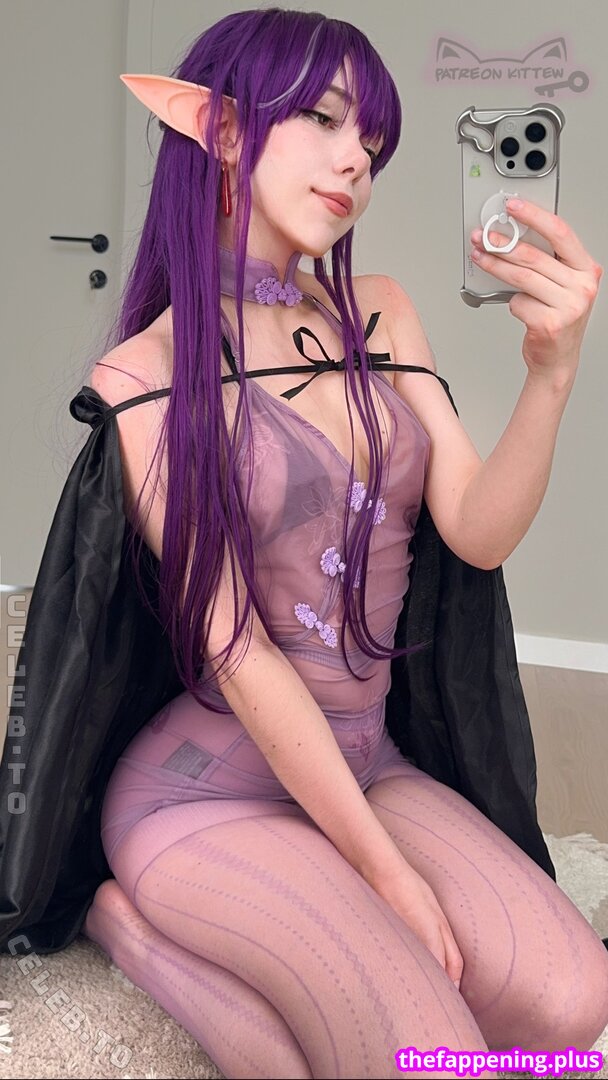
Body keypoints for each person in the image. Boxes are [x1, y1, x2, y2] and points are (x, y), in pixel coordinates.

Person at [2, 9, 607, 1078]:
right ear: (221, 129)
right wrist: (387, 874)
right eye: (324, 119)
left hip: (370, 764)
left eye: (371, 140)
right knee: (420, 1053)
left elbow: (475, 532)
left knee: (568, 1004)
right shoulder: (147, 375)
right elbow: (236, 651)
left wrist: (550, 375)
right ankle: (126, 923)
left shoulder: (380, 312)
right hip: (203, 792)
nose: (355, 160)